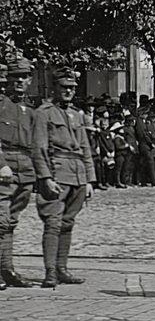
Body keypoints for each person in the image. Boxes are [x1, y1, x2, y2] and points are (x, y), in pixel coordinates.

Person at [30, 68, 95, 288]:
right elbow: (38, 147)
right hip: (56, 173)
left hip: (76, 174)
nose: (68, 91)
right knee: (53, 223)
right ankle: (50, 273)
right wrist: (46, 177)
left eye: (72, 88)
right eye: (64, 87)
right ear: (55, 88)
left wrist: (88, 181)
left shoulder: (77, 115)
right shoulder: (43, 112)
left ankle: (62, 268)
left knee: (68, 223)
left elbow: (85, 148)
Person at [0, 57, 38, 288]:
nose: (20, 81)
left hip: (25, 170)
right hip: (4, 168)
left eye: (24, 77)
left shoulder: (29, 110)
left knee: (11, 222)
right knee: (0, 221)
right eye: (16, 77)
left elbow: (35, 144)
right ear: (8, 80)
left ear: (30, 80)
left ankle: (7, 269)